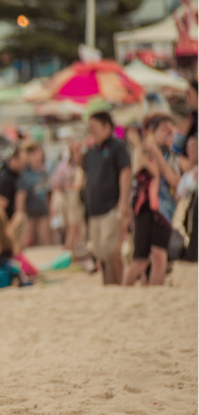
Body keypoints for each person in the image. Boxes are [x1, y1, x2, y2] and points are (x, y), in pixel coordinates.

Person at [123, 113, 181, 286]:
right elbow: (147, 173)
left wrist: (157, 154)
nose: (168, 134)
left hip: (164, 210)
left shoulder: (169, 154)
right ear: (150, 130)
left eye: (170, 130)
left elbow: (175, 181)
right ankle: (123, 291)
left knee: (159, 256)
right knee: (140, 259)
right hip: (145, 208)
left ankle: (155, 292)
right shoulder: (141, 150)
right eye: (164, 129)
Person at [84, 111, 132, 285]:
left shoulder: (117, 147)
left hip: (111, 205)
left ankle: (116, 285)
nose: (91, 130)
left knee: (111, 250)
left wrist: (123, 202)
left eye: (94, 127)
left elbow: (125, 172)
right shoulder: (91, 151)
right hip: (94, 208)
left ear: (107, 127)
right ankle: (108, 284)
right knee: (99, 252)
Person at [15, 142, 51, 247]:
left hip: (43, 212)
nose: (39, 156)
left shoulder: (43, 174)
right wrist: (20, 214)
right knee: (27, 241)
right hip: (29, 214)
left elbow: (47, 194)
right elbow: (20, 196)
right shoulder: (25, 175)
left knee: (45, 240)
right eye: (36, 153)